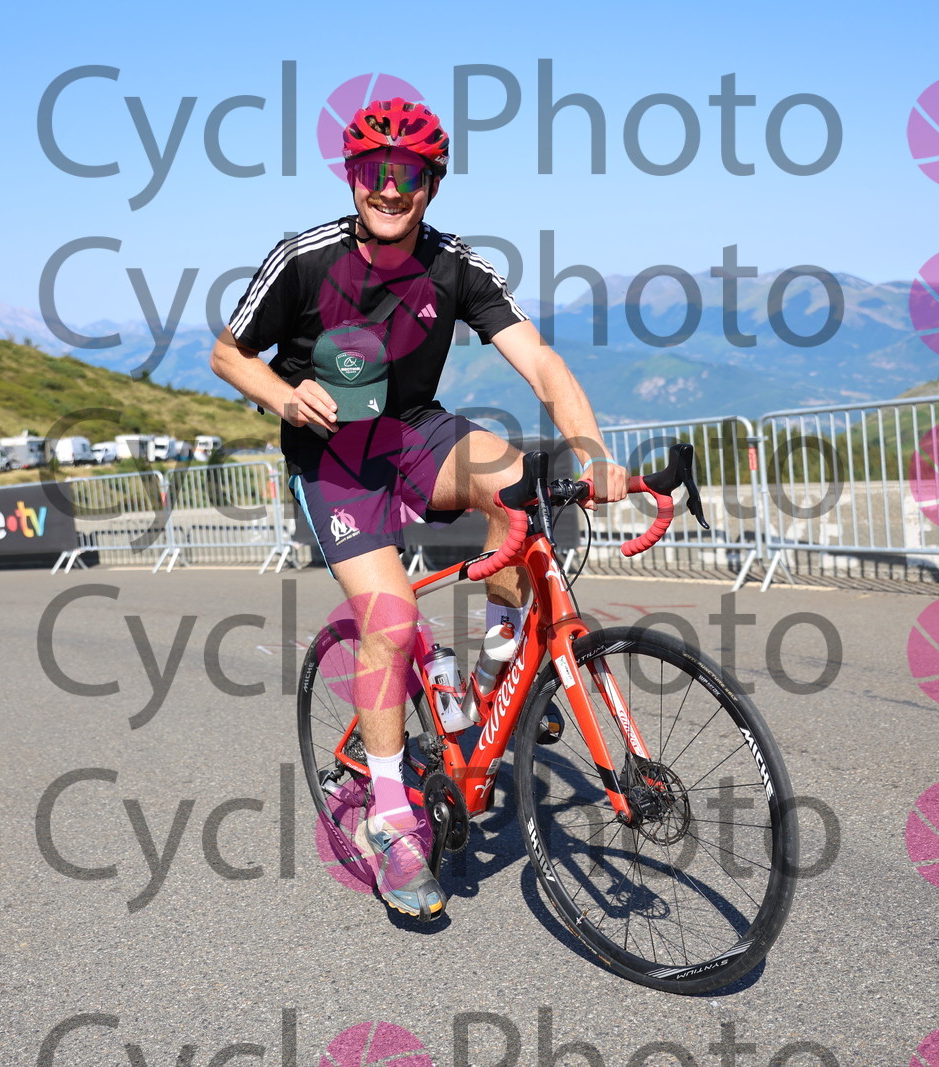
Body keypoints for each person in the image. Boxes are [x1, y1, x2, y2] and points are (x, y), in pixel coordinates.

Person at [210, 98, 627, 920]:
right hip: (332, 457)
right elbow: (229, 353)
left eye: (407, 174)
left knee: (519, 485)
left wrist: (594, 451)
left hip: (413, 431)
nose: (389, 188)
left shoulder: (454, 264)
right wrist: (285, 396)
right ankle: (391, 817)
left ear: (432, 184)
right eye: (374, 171)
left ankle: (493, 678)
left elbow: (541, 361)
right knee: (392, 619)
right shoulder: (305, 260)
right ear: (351, 177)